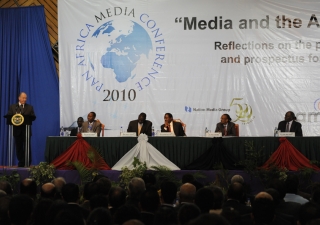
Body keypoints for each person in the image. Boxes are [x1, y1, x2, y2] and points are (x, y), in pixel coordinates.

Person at [6, 92, 36, 167]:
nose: (25, 99)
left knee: (27, 147)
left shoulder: (30, 107)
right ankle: (21, 162)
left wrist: (28, 118)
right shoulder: (13, 107)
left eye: (26, 98)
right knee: (18, 147)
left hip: (26, 131)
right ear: (19, 98)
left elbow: (33, 117)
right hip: (17, 131)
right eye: (23, 98)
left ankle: (27, 162)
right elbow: (9, 115)